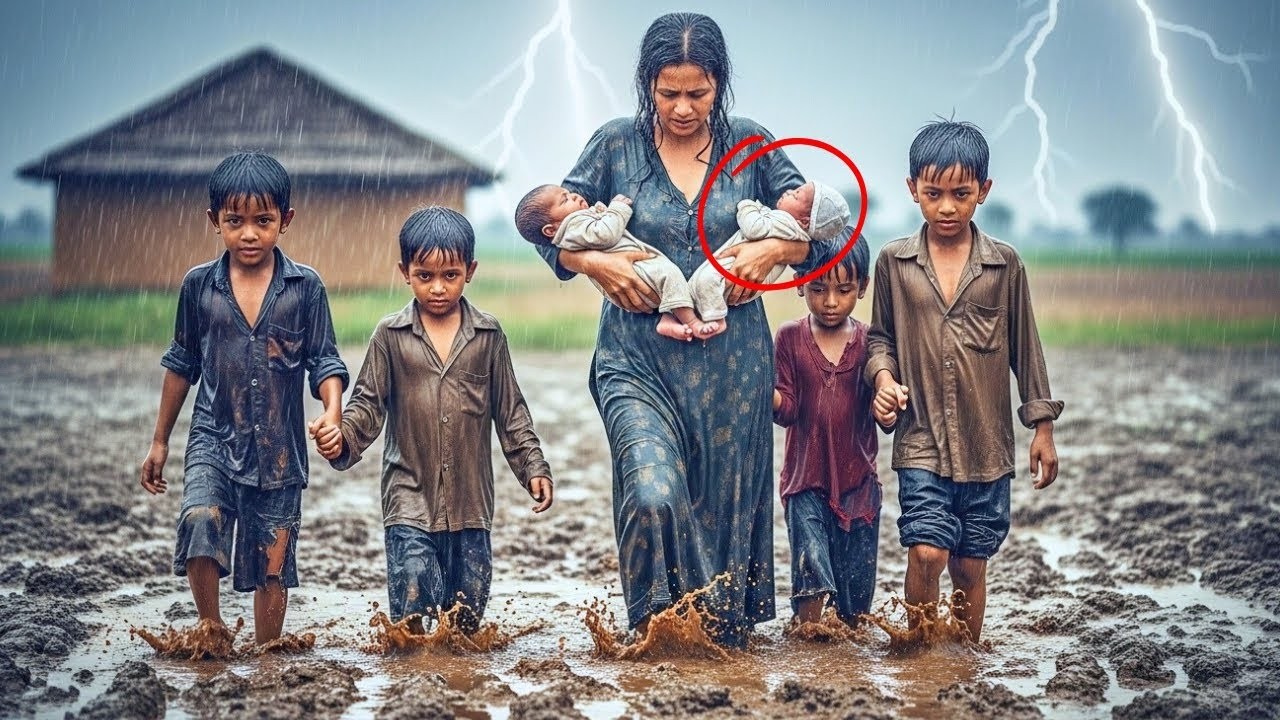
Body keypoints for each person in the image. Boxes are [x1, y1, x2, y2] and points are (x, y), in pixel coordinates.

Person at [531, 12, 847, 648]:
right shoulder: (615, 145)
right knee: (652, 489)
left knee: (723, 505)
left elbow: (825, 233)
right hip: (635, 359)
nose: (681, 107)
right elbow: (546, 231)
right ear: (647, 85)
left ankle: (717, 640)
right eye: (667, 92)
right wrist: (595, 263)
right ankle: (655, 632)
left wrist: (772, 255)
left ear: (719, 85)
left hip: (734, 365)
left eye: (697, 93)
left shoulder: (753, 144)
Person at [310, 207, 553, 633]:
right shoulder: (390, 336)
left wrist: (533, 465)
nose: (438, 288)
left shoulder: (488, 336)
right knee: (412, 600)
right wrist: (343, 438)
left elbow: (511, 412)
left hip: (471, 504)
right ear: (405, 272)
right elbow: (367, 404)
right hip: (408, 497)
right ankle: (411, 681)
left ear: (470, 271)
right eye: (425, 276)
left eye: (450, 276)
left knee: (465, 620)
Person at [139, 152, 349, 645]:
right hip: (214, 433)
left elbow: (325, 361)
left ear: (285, 220)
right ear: (215, 221)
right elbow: (181, 363)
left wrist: (333, 413)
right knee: (199, 520)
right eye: (235, 221)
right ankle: (210, 631)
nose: (249, 234)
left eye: (263, 221)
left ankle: (268, 652)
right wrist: (159, 441)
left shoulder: (305, 288)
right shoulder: (199, 287)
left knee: (271, 559)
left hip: (280, 447)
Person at [865, 120, 1063, 643]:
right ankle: (920, 655)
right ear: (912, 190)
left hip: (985, 445)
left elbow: (1026, 346)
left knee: (970, 566)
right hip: (921, 436)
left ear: (984, 192)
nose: (947, 207)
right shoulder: (894, 263)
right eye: (933, 194)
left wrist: (1042, 428)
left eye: (961, 194)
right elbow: (879, 337)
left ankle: (964, 661)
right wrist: (883, 379)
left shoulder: (1003, 265)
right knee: (927, 550)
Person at [772, 234, 879, 627]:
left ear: (862, 287)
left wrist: (891, 400)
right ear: (800, 283)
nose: (830, 301)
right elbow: (788, 409)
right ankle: (808, 650)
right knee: (811, 578)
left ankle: (843, 669)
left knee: (855, 610)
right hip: (805, 484)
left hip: (859, 486)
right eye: (818, 288)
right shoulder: (788, 338)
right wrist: (763, 395)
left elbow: (884, 413)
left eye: (843, 290)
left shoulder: (871, 343)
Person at [514, 185, 718, 340]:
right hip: (634, 271)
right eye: (565, 199)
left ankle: (668, 318)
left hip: (637, 270)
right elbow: (606, 234)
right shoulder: (573, 226)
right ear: (550, 230)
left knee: (668, 285)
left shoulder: (575, 225)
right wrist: (617, 208)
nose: (574, 195)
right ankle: (692, 321)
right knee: (670, 275)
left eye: (568, 192)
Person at [689, 180, 849, 331]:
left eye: (795, 195)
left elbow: (753, 228)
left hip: (734, 267)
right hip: (741, 283)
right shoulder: (793, 231)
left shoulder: (785, 222)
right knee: (699, 289)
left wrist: (747, 206)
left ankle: (715, 319)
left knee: (704, 282)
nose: (788, 191)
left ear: (805, 222)